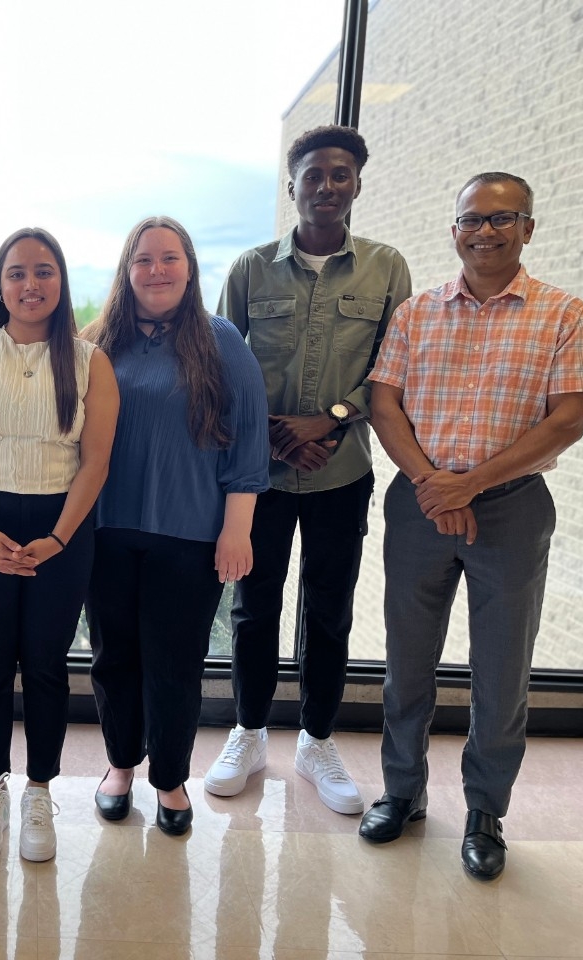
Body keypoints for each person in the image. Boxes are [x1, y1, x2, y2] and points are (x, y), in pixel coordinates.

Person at [361, 172, 583, 879]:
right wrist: (436, 487)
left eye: (504, 218)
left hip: (513, 508)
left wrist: (472, 483)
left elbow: (568, 418)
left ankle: (485, 810)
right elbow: (383, 403)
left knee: (501, 673)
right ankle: (401, 792)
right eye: (473, 219)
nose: (486, 231)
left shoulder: (563, 313)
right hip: (420, 504)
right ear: (454, 229)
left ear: (529, 228)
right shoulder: (416, 312)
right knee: (407, 666)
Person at [211, 125, 412, 813]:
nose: (327, 186)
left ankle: (316, 740)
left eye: (341, 174)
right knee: (253, 605)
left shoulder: (387, 268)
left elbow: (394, 367)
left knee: (328, 611)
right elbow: (219, 370)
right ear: (291, 185)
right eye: (314, 175)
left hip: (341, 469)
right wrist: (273, 438)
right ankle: (247, 732)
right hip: (258, 475)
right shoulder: (249, 269)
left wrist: (327, 419)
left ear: (357, 182)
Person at [0, 227, 118, 862]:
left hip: (62, 527)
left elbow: (94, 463)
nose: (29, 284)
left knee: (44, 663)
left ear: (61, 282)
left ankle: (40, 789)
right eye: (16, 273)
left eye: (43, 272)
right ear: (0, 285)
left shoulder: (90, 362)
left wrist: (57, 539)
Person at [83, 216, 269, 836]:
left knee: (176, 660)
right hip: (104, 529)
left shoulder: (221, 342)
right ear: (126, 271)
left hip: (190, 533)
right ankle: (118, 766)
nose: (156, 270)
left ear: (189, 268)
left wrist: (236, 529)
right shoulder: (98, 344)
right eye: (143, 260)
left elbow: (248, 442)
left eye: (169, 258)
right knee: (115, 657)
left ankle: (169, 775)